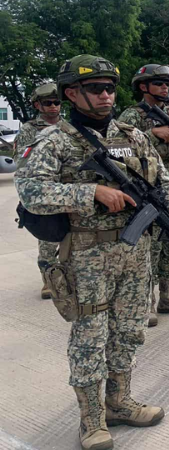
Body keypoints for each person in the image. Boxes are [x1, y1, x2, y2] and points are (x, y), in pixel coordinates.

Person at [16, 54, 169, 450]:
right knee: (90, 339)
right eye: (95, 88)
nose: (105, 95)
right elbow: (30, 193)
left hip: (135, 255)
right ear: (70, 93)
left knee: (129, 332)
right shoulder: (55, 140)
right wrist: (90, 192)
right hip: (86, 257)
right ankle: (92, 420)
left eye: (109, 88)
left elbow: (164, 183)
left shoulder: (133, 136)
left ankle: (118, 401)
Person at [118, 64, 169, 327]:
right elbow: (119, 150)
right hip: (148, 189)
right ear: (143, 86)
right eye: (159, 83)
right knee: (150, 246)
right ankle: (148, 302)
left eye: (167, 84)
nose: (165, 87)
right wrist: (151, 134)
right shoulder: (131, 116)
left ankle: (168, 296)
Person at [13, 82, 64, 300]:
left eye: (57, 102)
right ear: (37, 105)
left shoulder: (68, 127)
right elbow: (20, 161)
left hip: (68, 189)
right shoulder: (29, 130)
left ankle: (68, 277)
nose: (53, 107)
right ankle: (49, 281)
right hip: (45, 191)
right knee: (48, 239)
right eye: (48, 103)